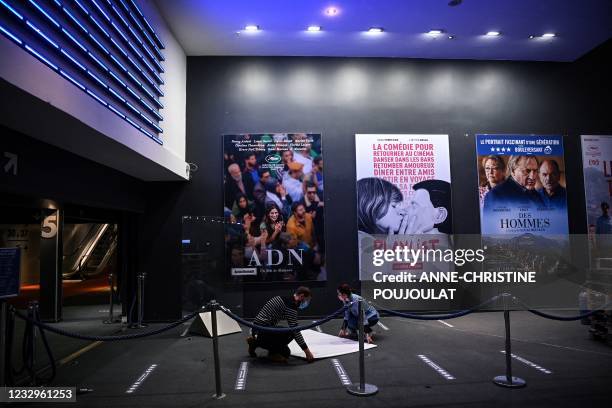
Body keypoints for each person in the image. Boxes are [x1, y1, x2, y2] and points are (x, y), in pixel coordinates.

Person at [246, 287, 315, 363]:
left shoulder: (283, 298)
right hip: (262, 333)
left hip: (256, 330)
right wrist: (307, 352)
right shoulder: (290, 306)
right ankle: (272, 353)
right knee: (289, 340)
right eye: (307, 300)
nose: (307, 303)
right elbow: (295, 331)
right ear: (302, 296)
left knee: (285, 346)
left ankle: (254, 343)